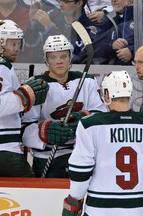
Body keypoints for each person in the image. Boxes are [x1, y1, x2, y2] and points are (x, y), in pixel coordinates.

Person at [62, 70, 143, 216]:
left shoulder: (89, 125)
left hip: (99, 210)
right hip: (140, 210)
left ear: (107, 94)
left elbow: (80, 171)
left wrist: (74, 201)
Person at [22, 34, 107, 178]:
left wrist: (84, 119)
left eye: (63, 56)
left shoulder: (86, 81)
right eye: (53, 57)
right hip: (48, 156)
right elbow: (24, 127)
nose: (59, 61)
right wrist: (46, 132)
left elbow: (101, 116)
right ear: (46, 60)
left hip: (83, 153)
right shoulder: (36, 85)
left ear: (70, 57)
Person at [0, 19, 49, 177]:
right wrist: (26, 95)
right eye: (12, 44)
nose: (17, 48)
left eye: (19, 44)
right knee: (30, 195)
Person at [24, 0, 108, 64]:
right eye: (60, 0)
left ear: (79, 3)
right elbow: (30, 47)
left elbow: (73, 56)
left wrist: (50, 28)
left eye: (66, 1)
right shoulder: (53, 18)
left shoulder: (90, 28)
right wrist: (33, 23)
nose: (61, 4)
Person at [101, 0, 143, 65]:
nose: (114, 1)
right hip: (112, 67)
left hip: (139, 65)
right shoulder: (109, 17)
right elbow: (98, 45)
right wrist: (112, 45)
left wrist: (132, 51)